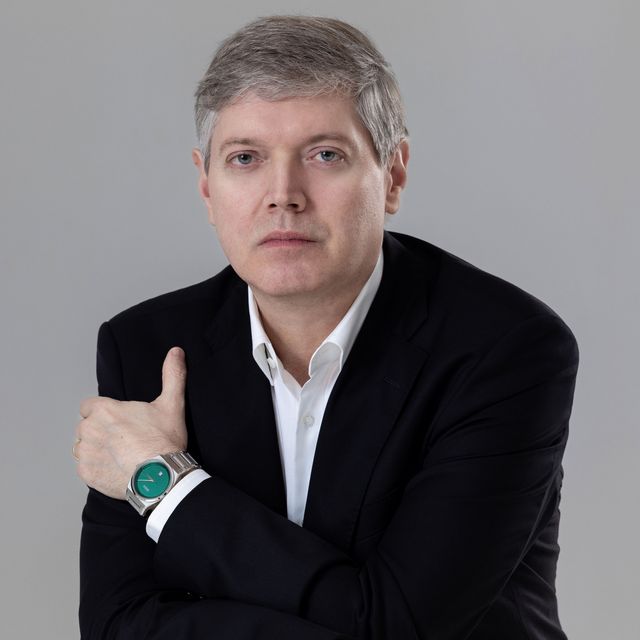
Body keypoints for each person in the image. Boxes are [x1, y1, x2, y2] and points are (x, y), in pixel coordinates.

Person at [75, 15, 579, 640]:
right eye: (245, 158)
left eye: (325, 155)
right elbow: (117, 625)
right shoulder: (145, 346)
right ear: (207, 187)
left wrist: (165, 485)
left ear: (393, 175)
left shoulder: (505, 348)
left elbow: (401, 628)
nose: (283, 194)